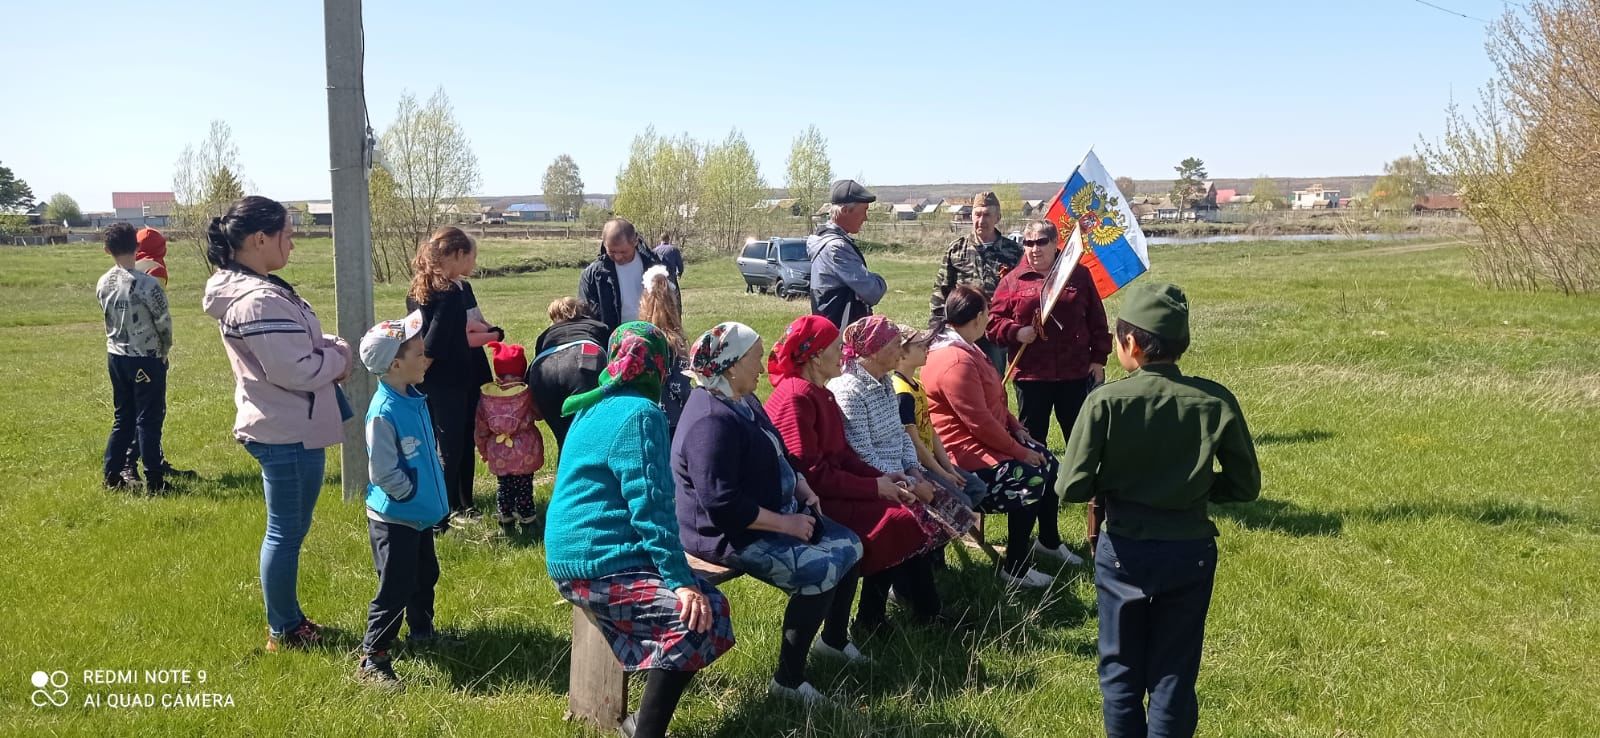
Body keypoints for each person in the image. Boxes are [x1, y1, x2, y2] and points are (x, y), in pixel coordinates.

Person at [1058, 282, 1261, 738]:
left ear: (1130, 343)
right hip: (1190, 547)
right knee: (1175, 671)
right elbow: (1246, 485)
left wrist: (1110, 483)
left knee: (1120, 670)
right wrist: (1197, 490)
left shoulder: (1105, 402)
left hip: (1124, 549)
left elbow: (1071, 486)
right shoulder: (1215, 400)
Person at [546, 322, 734, 738]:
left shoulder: (591, 404)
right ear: (659, 367)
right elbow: (653, 509)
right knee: (698, 618)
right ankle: (644, 730)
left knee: (710, 606)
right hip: (597, 562)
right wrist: (681, 581)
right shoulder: (641, 413)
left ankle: (640, 721)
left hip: (580, 552)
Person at [673, 322, 865, 704]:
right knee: (818, 571)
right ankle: (788, 681)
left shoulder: (740, 398)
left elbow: (776, 446)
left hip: (768, 513)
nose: (763, 368)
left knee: (852, 546)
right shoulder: (711, 420)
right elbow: (721, 503)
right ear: (731, 365)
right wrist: (787, 524)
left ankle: (833, 640)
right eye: (756, 359)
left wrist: (798, 481)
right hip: (725, 533)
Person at [202, 195, 352, 651]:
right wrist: (340, 358)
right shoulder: (258, 300)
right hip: (284, 428)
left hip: (287, 423)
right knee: (285, 533)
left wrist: (327, 347)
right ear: (259, 238)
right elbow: (295, 370)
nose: (293, 243)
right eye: (287, 234)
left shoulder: (260, 288)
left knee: (289, 530)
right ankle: (284, 630)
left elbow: (296, 345)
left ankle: (287, 622)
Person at [763, 315, 945, 634]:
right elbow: (812, 475)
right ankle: (863, 624)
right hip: (806, 504)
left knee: (903, 514)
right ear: (817, 356)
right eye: (836, 347)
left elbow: (843, 455)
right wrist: (876, 487)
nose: (844, 353)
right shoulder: (797, 397)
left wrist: (886, 481)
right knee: (897, 518)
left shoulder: (819, 391)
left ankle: (894, 614)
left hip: (830, 489)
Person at [923, 286, 1068, 587]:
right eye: (987, 313)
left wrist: (1015, 427)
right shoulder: (955, 361)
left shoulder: (966, 347)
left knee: (1050, 464)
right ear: (977, 317)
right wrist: (1018, 451)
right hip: (963, 458)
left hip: (985, 442)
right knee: (1031, 478)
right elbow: (980, 423)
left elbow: (993, 403)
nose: (990, 318)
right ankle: (1014, 568)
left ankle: (1048, 541)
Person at [355, 311, 458, 692]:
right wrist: (411, 495)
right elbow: (383, 472)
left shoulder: (413, 398)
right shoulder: (383, 413)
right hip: (396, 518)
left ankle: (422, 633)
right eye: (418, 352)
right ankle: (374, 657)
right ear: (396, 364)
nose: (426, 356)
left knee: (424, 576)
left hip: (417, 517)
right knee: (394, 588)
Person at [827, 316, 974, 572]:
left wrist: (916, 472)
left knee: (957, 511)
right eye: (895, 345)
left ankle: (918, 589)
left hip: (903, 474)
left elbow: (902, 435)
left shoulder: (884, 381)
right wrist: (911, 485)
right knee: (920, 524)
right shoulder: (848, 391)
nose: (901, 351)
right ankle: (910, 598)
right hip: (878, 481)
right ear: (875, 350)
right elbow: (863, 454)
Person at [988, 218, 1110, 479]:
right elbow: (992, 323)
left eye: (1041, 242)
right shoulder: (1012, 280)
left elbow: (1097, 319)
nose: (1034, 249)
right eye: (1028, 243)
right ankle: (1038, 487)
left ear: (1056, 244)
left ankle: (1083, 486)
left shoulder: (1078, 275)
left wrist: (1098, 359)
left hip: (1074, 372)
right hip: (1032, 375)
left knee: (1080, 436)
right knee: (1032, 437)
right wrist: (1017, 332)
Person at [407, 226, 503, 529]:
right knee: (451, 448)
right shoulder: (449, 293)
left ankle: (454, 506)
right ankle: (441, 517)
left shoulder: (419, 287)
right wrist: (425, 365)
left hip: (430, 380)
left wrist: (418, 372)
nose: (471, 266)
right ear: (457, 254)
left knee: (442, 443)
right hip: (450, 379)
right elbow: (434, 341)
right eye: (469, 259)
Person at [98, 222, 179, 493]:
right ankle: (155, 479)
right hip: (145, 357)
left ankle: (112, 475)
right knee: (149, 417)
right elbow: (164, 323)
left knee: (123, 416)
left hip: (116, 356)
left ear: (107, 249)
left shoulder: (103, 282)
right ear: (136, 246)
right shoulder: (146, 284)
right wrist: (165, 351)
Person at [889, 328, 986, 508]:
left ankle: (961, 528)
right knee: (962, 502)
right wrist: (941, 472)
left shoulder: (917, 385)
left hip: (932, 458)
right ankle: (952, 528)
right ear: (902, 354)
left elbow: (931, 431)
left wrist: (949, 468)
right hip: (918, 465)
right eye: (920, 346)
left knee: (976, 488)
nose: (926, 349)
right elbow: (915, 443)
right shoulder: (902, 393)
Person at [929, 191, 1022, 377]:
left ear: (998, 217)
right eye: (977, 214)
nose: (981, 220)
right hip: (961, 329)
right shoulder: (957, 249)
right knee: (960, 376)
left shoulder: (1013, 252)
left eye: (987, 214)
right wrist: (936, 329)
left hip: (995, 330)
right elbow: (942, 291)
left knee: (993, 381)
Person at [476, 340, 543, 529]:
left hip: (498, 451)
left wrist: (483, 449)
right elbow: (538, 414)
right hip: (525, 450)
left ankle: (505, 517)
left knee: (504, 485)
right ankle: (527, 518)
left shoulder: (487, 397)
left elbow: (481, 427)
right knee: (524, 486)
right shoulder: (526, 394)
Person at [528, 297, 608, 449]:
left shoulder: (545, 335)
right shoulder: (598, 326)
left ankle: (565, 468)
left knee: (563, 439)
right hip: (586, 357)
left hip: (543, 368)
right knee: (587, 435)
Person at [807, 180, 886, 328]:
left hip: (832, 334)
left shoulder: (822, 240)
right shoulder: (837, 248)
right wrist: (878, 279)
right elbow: (873, 291)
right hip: (841, 339)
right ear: (844, 210)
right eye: (864, 210)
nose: (866, 217)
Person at [578, 218, 676, 333]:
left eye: (623, 252)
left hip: (654, 337)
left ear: (635, 241)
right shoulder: (592, 276)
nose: (618, 257)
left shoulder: (658, 266)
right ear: (604, 244)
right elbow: (586, 318)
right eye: (612, 252)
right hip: (613, 342)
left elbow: (673, 305)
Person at [637, 264, 692, 437]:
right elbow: (682, 386)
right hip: (673, 421)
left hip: (644, 417)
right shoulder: (675, 343)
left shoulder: (638, 342)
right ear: (672, 305)